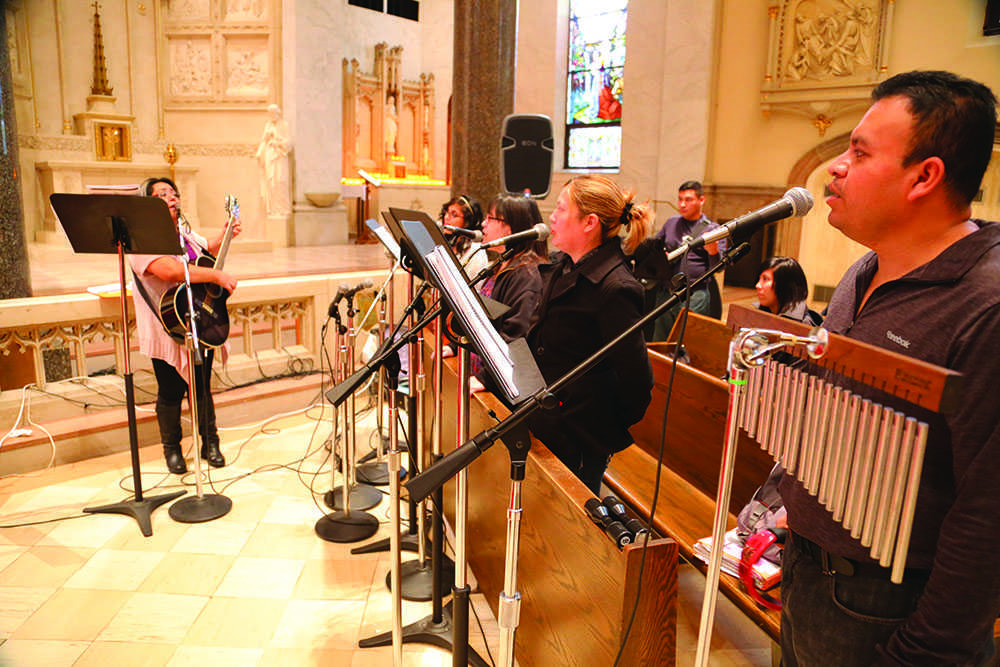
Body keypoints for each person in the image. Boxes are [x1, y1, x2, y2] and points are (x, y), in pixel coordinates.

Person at [779, 70, 1000, 666]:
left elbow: (987, 514)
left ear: (925, 176)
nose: (834, 168)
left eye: (859, 152)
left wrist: (923, 651)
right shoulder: (864, 272)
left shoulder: (988, 306)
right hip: (810, 574)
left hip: (888, 605)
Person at [525, 175, 654, 495]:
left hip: (578, 438)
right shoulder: (562, 266)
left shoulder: (616, 288)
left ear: (589, 223)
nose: (551, 217)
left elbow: (638, 381)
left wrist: (596, 427)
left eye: (561, 208)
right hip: (545, 423)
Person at [129, 177, 241, 474]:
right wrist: (217, 278)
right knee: (170, 389)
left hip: (197, 316)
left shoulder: (184, 233)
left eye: (173, 193)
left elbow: (206, 253)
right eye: (162, 194)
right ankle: (173, 450)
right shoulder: (140, 239)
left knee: (202, 385)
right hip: (165, 323)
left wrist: (227, 233)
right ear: (148, 202)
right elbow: (169, 270)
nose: (171, 198)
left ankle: (211, 443)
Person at [470, 194, 547, 394]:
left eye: (490, 218)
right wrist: (455, 345)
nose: (483, 224)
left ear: (510, 227)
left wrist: (486, 378)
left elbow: (517, 336)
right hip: (486, 372)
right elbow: (485, 317)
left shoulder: (527, 273)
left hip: (504, 387)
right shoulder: (503, 262)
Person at [649, 180, 726, 341]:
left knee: (687, 341)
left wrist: (713, 252)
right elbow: (655, 248)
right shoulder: (671, 223)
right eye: (680, 199)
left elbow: (718, 268)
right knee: (659, 340)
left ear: (701, 200)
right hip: (666, 291)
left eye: (688, 199)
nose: (682, 204)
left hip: (694, 294)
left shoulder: (713, 229)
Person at [754, 256, 822, 325]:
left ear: (784, 285)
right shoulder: (760, 311)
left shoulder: (801, 325)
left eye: (765, 279)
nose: (758, 285)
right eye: (760, 279)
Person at [438, 194, 487, 279]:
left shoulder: (476, 251)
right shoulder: (445, 243)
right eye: (446, 213)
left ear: (468, 222)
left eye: (454, 215)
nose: (446, 218)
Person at [255, 104, 291, 216]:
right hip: (269, 156)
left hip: (279, 156)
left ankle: (283, 209)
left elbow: (289, 143)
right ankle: (274, 210)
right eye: (270, 113)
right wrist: (266, 139)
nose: (272, 115)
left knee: (281, 181)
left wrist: (277, 142)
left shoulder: (284, 125)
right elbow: (263, 141)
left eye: (273, 113)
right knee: (271, 183)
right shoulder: (268, 126)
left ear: (278, 113)